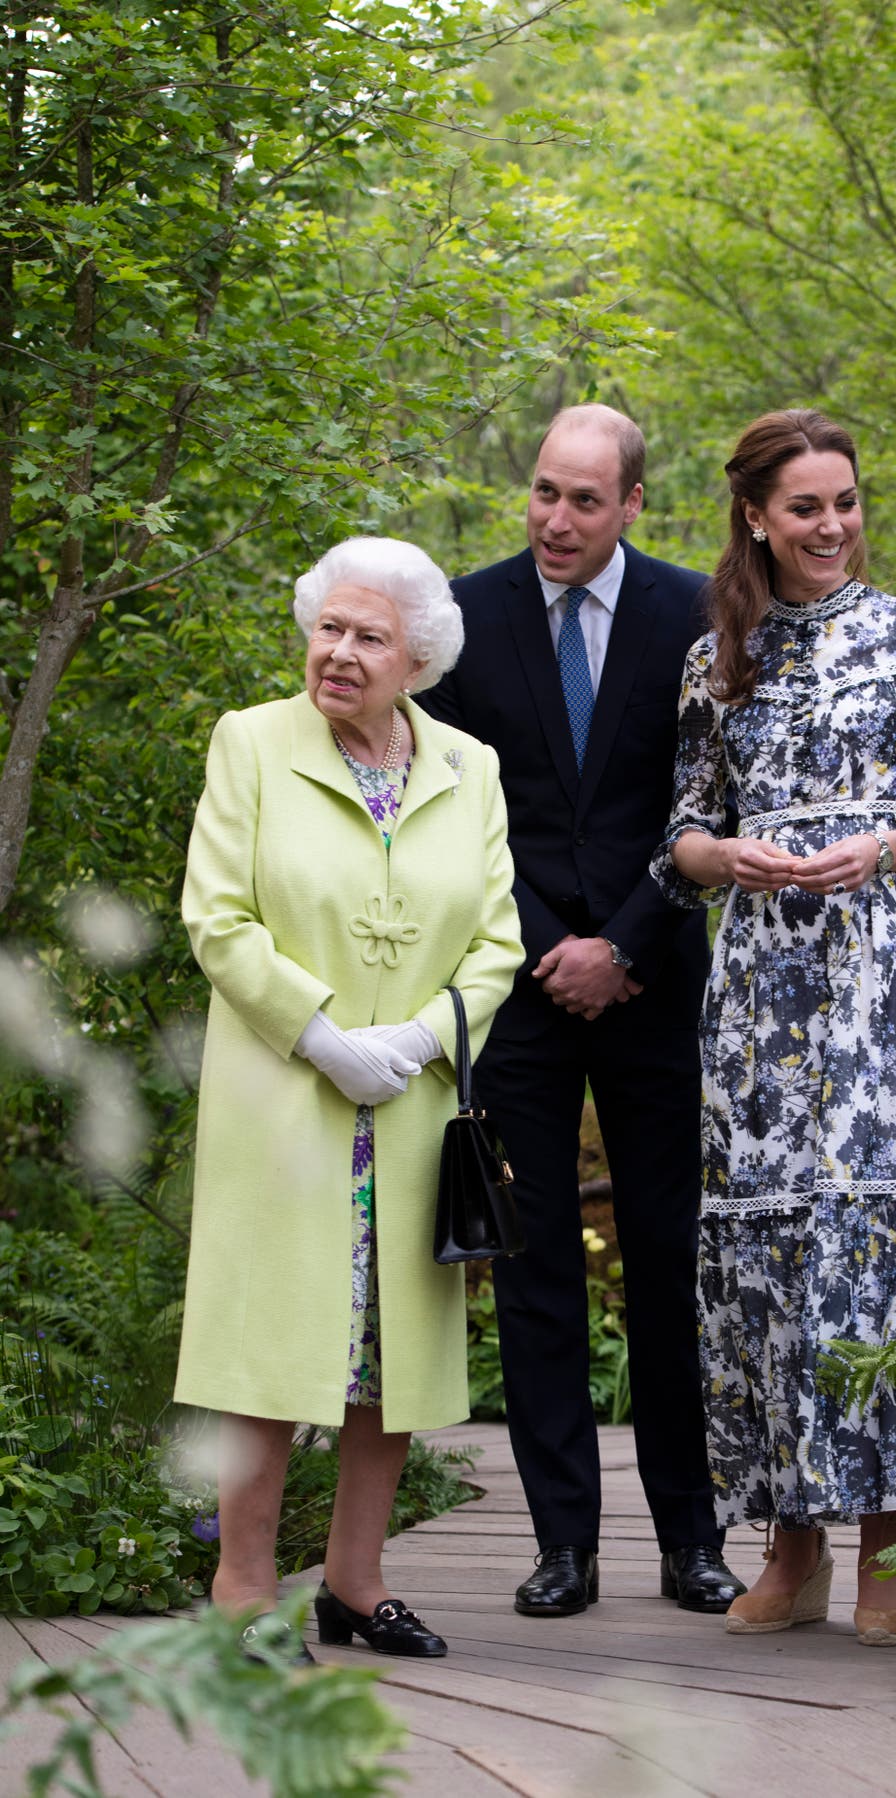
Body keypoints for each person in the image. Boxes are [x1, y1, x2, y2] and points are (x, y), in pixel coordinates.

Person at [650, 408, 896, 1647]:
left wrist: (885, 847)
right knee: (771, 1256)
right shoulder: (718, 656)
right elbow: (681, 834)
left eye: (845, 501)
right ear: (756, 515)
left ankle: (889, 1545)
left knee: (880, 1246)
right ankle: (789, 1545)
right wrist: (727, 857)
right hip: (762, 991)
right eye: (806, 506)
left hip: (882, 977)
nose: (832, 525)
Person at [420, 403, 744, 1619]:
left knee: (668, 1260)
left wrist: (626, 941)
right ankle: (564, 1545)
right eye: (545, 491)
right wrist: (552, 945)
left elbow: (715, 797)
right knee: (537, 1264)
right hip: (519, 987)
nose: (556, 519)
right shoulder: (466, 616)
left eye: (585, 500)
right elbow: (451, 810)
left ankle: (692, 1540)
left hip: (654, 979)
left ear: (633, 506)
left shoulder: (696, 614)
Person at [175, 536, 523, 1662]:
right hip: (287, 1100)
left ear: (417, 659)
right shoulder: (253, 742)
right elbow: (217, 916)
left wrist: (421, 1038)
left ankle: (356, 1584)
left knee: (387, 1356)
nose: (339, 652)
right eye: (329, 626)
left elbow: (498, 940)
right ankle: (242, 1588)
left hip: (411, 1109)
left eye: (370, 637)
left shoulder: (470, 766)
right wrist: (322, 1037)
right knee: (268, 1353)